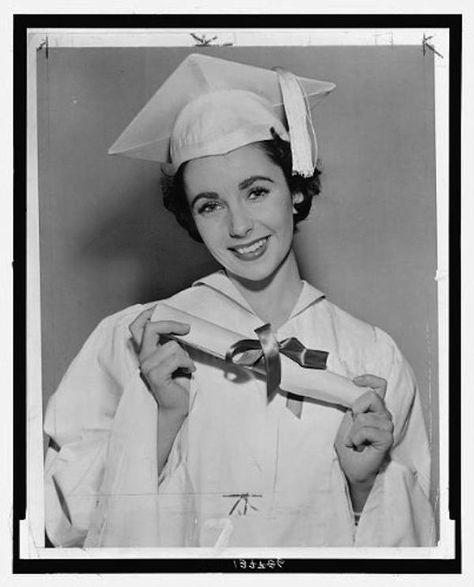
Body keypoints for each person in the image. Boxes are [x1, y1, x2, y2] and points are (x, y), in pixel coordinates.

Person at [43, 53, 436, 548]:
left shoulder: (371, 355)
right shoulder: (143, 338)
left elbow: (421, 550)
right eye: (210, 205)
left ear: (295, 188)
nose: (238, 226)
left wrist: (363, 488)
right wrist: (158, 421)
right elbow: (62, 521)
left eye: (256, 191)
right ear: (190, 217)